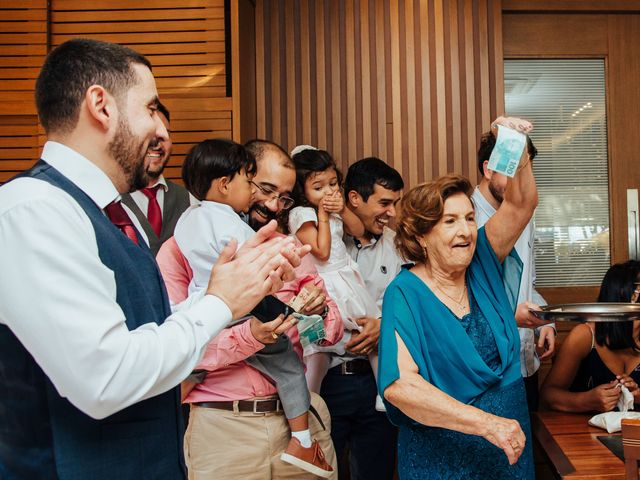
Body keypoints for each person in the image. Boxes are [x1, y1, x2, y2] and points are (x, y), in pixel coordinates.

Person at [0, 39, 305, 479]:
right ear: (101, 106)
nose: (162, 132)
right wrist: (219, 302)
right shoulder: (34, 209)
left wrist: (231, 288)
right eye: (150, 109)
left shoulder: (106, 215)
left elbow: (140, 331)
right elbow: (105, 376)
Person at [158, 139, 342, 479]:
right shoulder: (177, 251)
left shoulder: (287, 247)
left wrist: (318, 314)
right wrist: (251, 335)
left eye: (284, 197)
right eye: (265, 190)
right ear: (240, 178)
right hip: (223, 429)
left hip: (301, 417)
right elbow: (174, 347)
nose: (273, 205)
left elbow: (332, 329)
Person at [379, 117, 538, 479]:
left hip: (509, 451)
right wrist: (487, 424)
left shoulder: (482, 259)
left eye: (469, 217)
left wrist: (514, 143)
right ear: (421, 236)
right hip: (443, 457)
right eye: (449, 222)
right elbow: (400, 386)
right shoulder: (404, 294)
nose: (466, 230)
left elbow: (520, 204)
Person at [322, 157, 404, 480]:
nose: (392, 213)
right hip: (327, 378)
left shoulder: (397, 247)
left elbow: (412, 308)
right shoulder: (322, 239)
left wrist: (383, 326)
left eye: (395, 203)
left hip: (377, 380)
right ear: (353, 198)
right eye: (385, 203)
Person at [288, 146, 383, 409]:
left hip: (346, 277)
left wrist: (340, 210)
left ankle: (384, 393)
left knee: (370, 332)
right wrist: (322, 215)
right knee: (316, 349)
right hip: (323, 284)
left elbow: (357, 229)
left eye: (333, 183)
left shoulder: (333, 210)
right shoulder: (301, 215)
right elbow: (321, 251)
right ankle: (308, 406)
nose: (328, 191)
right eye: (318, 187)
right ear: (301, 191)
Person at [472, 131, 555, 410]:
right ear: (488, 169)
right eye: (513, 170)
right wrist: (509, 316)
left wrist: (547, 322)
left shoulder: (525, 218)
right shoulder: (464, 219)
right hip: (484, 367)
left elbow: (526, 283)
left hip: (525, 363)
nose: (520, 182)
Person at [540, 261, 640, 412]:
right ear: (622, 301)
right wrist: (585, 401)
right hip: (581, 432)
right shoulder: (585, 336)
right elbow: (547, 396)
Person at [120, 101, 195, 255]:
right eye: (150, 135)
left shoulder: (189, 200)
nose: (157, 144)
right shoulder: (111, 200)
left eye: (164, 134)